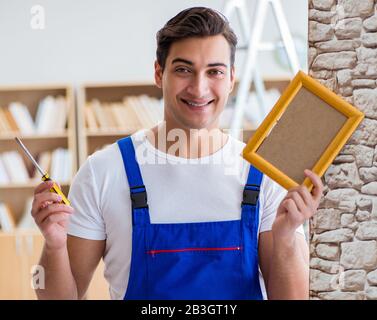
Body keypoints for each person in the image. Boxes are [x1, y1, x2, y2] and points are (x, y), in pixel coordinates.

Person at [32, 7, 323, 300]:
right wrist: (53, 245)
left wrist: (286, 239)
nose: (199, 88)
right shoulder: (104, 171)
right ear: (159, 73)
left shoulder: (263, 175)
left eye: (215, 72)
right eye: (183, 69)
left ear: (231, 78)